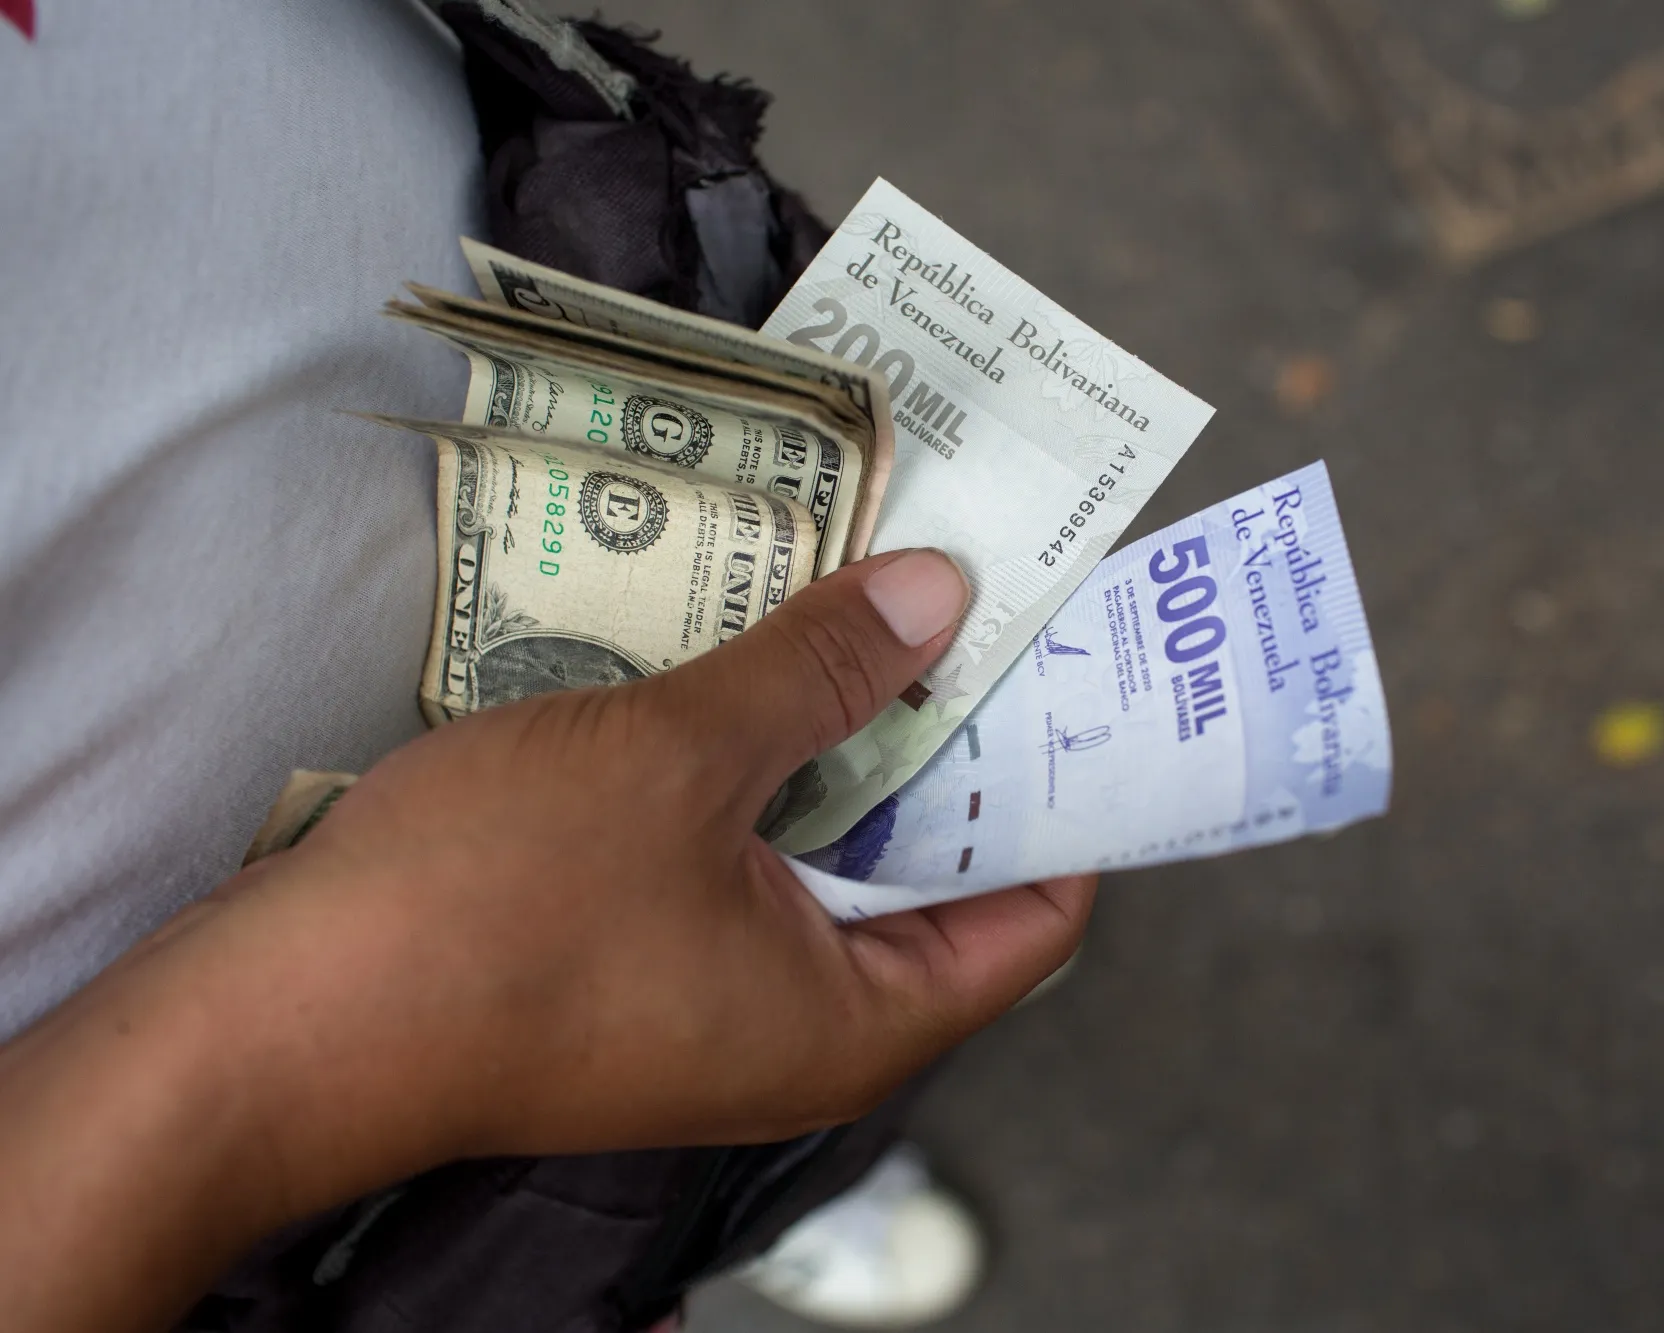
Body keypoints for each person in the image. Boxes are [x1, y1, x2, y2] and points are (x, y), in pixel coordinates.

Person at [0, 2, 1091, 1329]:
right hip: (301, 1141)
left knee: (829, 981)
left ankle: (791, 1106)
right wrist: (304, 1054)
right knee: (650, 1134)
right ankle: (721, 1163)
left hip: (576, 262)